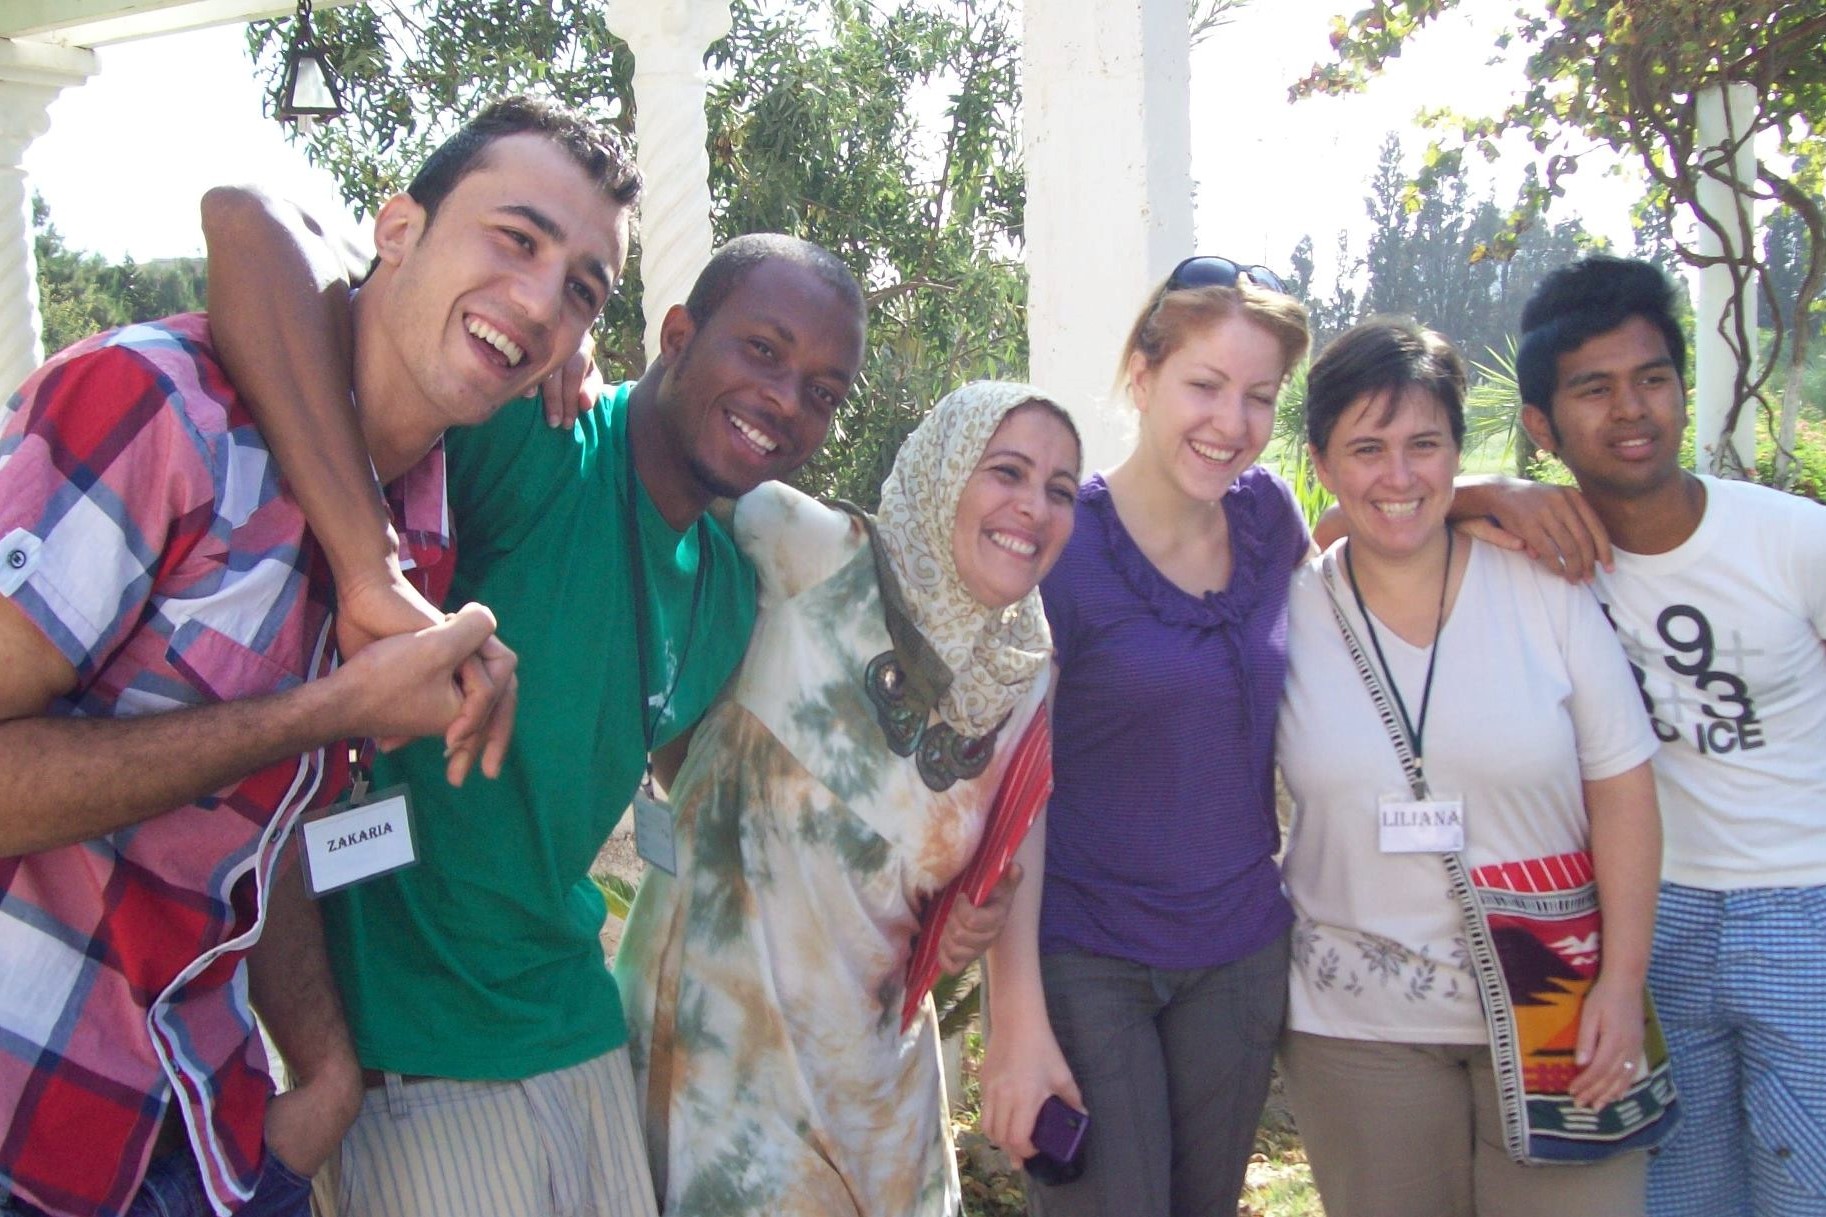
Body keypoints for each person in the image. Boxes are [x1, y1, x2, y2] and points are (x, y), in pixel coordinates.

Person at [199, 196, 969, 1211]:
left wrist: (936, 904)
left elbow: (739, 811)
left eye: (822, 390)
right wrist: (550, 338)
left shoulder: (726, 590)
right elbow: (247, 227)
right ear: (679, 335)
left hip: (575, 1022)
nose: (786, 400)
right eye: (762, 351)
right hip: (411, 1049)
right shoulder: (534, 441)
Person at [0, 94, 637, 1217]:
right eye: (514, 237)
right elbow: (248, 216)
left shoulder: (423, 523)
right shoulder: (160, 411)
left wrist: (323, 1063)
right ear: (395, 229)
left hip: (202, 1132)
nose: (538, 299)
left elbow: (272, 821)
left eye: (579, 286)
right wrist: (326, 706)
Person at [614, 380, 1081, 1216]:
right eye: (1006, 471)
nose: (1034, 508)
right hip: (721, 1065)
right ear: (945, 468)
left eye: (1060, 489)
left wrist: (963, 923)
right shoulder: (815, 553)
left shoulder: (1021, 670)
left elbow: (963, 868)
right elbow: (656, 469)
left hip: (874, 1085)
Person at [1274, 317, 1664, 1217]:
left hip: (1559, 999)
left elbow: (1623, 789)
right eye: (1366, 448)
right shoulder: (1287, 614)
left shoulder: (1545, 585)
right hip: (1355, 1027)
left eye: (1424, 445)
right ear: (1322, 462)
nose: (1399, 476)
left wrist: (1623, 979)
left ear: (1459, 452)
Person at [1472, 255, 1826, 1217]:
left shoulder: (1793, 541)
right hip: (1645, 921)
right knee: (1672, 1197)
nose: (1632, 410)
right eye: (1595, 388)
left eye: (1654, 379)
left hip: (1804, 913)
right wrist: (1488, 493)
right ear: (1544, 423)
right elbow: (1350, 522)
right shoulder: (1538, 555)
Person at [979, 257, 1312, 1217]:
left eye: (1258, 396)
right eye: (1204, 385)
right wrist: (1016, 1019)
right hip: (1089, 956)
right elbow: (1014, 787)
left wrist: (1502, 501)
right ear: (1143, 372)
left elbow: (1377, 555)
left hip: (1241, 952)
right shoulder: (1063, 546)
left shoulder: (1269, 519)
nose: (1230, 422)